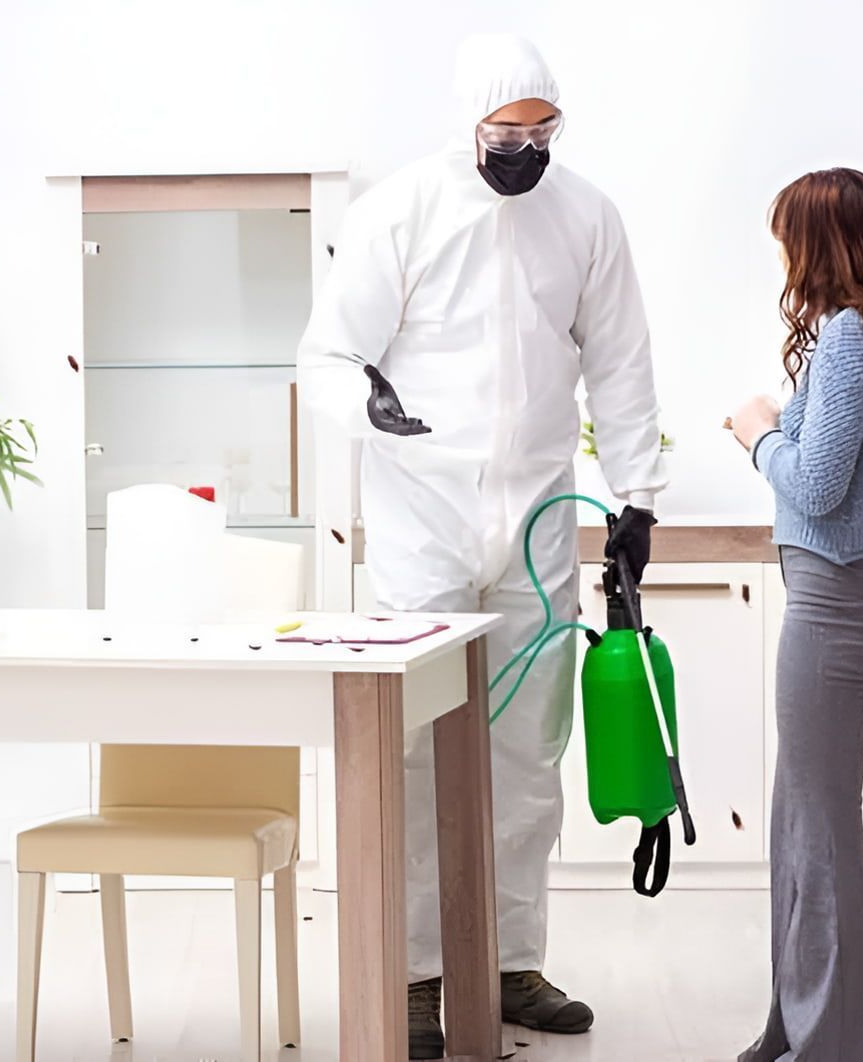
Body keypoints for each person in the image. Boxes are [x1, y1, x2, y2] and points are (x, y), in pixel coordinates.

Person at [297, 33, 666, 1059]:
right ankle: (419, 975)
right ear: (469, 125)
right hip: (423, 515)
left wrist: (636, 497)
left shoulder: (586, 215)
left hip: (537, 518)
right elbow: (326, 356)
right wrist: (368, 403)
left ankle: (507, 962)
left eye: (542, 133)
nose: (525, 151)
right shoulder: (402, 211)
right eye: (507, 134)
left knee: (529, 747)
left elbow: (622, 361)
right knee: (416, 749)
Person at [729, 168, 863, 1061]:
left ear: (820, 241)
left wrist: (757, 433)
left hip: (836, 603)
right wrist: (786, 428)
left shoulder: (852, 335)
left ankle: (832, 1048)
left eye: (787, 236)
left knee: (818, 835)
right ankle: (796, 1031)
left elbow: (817, 487)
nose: (781, 253)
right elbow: (841, 463)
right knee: (801, 823)